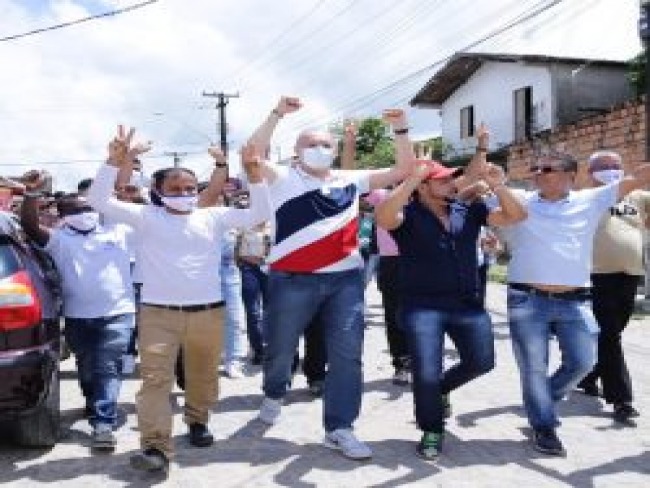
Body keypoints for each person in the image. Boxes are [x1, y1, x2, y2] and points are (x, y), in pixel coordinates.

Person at [87, 126, 269, 474]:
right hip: (158, 315)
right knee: (155, 381)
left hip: (208, 314)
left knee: (202, 377)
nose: (184, 194)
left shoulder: (213, 216)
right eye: (175, 189)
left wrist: (255, 174)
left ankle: (198, 421)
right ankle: (155, 447)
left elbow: (258, 214)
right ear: (157, 192)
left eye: (189, 188)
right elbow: (98, 200)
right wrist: (113, 161)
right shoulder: (144, 217)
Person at [247, 98, 415, 460]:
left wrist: (401, 128)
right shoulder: (281, 177)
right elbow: (253, 152)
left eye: (325, 144)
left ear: (336, 150)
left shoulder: (351, 181)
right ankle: (275, 391)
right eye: (310, 144)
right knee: (279, 348)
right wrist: (276, 114)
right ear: (296, 151)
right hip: (290, 279)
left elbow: (404, 168)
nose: (319, 150)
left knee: (347, 356)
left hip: (345, 283)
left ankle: (339, 427)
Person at [375, 133, 526, 460]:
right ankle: (431, 428)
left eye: (451, 180)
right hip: (422, 306)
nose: (451, 185)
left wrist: (498, 185)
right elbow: (384, 217)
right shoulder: (408, 214)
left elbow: (516, 216)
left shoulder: (467, 210)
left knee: (481, 362)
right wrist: (411, 178)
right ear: (424, 187)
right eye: (442, 181)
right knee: (426, 371)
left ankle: (441, 389)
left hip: (467, 304)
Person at [500, 149, 650, 456]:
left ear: (570, 175)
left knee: (584, 362)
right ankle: (544, 427)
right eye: (536, 169)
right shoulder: (522, 199)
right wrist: (486, 168)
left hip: (575, 299)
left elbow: (640, 178)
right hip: (527, 299)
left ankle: (542, 400)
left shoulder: (592, 199)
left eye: (547, 169)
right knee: (533, 369)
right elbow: (477, 184)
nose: (538, 174)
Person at [20, 171, 135, 452]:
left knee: (108, 367)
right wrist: (31, 194)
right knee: (86, 368)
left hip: (118, 313)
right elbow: (30, 225)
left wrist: (124, 179)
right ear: (62, 215)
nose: (84, 213)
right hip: (76, 317)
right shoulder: (58, 240)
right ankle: (92, 399)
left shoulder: (119, 232)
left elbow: (141, 214)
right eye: (75, 209)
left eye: (88, 208)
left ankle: (103, 424)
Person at [576, 150, 649, 426]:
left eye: (615, 165)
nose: (610, 169)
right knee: (609, 336)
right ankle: (621, 399)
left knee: (614, 331)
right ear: (590, 172)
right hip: (597, 276)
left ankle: (588, 374)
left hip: (630, 274)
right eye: (603, 166)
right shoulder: (586, 198)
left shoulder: (638, 197)